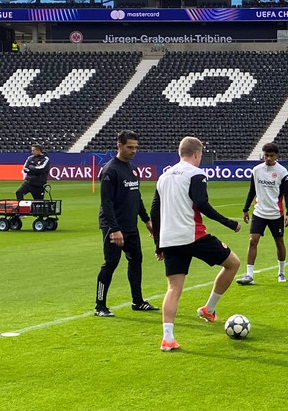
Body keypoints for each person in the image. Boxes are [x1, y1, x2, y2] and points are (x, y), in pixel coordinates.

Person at [150, 136, 241, 352]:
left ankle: (168, 339)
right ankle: (209, 308)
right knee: (233, 263)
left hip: (170, 239)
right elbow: (201, 204)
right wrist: (228, 222)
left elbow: (155, 210)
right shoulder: (196, 173)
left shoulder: (164, 176)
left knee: (173, 288)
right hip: (193, 235)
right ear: (197, 154)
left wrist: (158, 244)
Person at [95, 130, 158, 317]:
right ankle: (100, 306)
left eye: (136, 147)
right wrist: (114, 229)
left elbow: (136, 196)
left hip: (130, 227)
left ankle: (137, 301)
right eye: (130, 147)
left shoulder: (132, 169)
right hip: (113, 227)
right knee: (111, 263)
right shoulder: (110, 170)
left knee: (136, 260)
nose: (133, 151)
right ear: (119, 146)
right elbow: (106, 203)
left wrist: (146, 220)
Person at [237, 142, 288, 285]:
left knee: (279, 242)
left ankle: (281, 271)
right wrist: (245, 208)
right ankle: (249, 275)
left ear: (276, 156)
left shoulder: (282, 172)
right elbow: (252, 190)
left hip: (276, 213)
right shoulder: (256, 170)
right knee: (252, 241)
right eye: (266, 155)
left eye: (271, 156)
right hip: (259, 212)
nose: (268, 158)